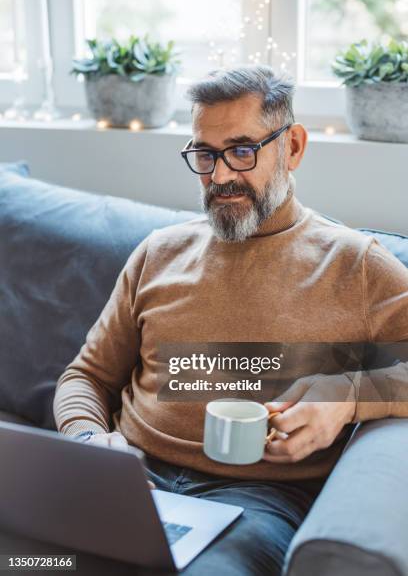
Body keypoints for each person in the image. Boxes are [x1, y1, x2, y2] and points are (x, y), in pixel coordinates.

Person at [53, 65, 408, 575]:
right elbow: (85, 377)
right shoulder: (158, 253)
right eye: (204, 154)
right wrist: (88, 442)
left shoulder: (357, 266)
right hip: (133, 482)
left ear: (293, 147)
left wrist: (349, 398)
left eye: (242, 151)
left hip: (256, 501)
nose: (219, 176)